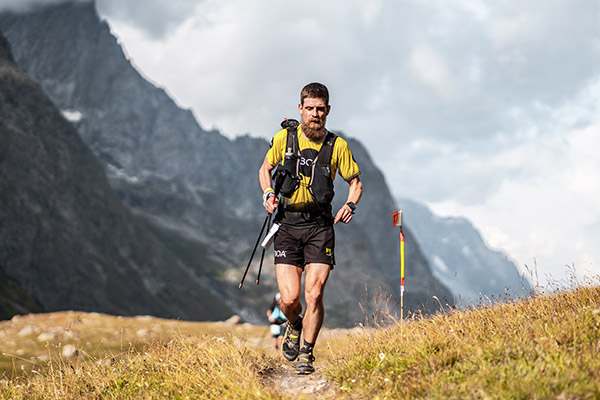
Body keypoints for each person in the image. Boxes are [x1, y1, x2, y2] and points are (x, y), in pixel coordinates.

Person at [258, 82, 363, 375]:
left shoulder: (337, 146)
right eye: (310, 108)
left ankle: (307, 352)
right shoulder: (284, 138)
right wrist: (268, 194)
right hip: (288, 225)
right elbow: (264, 169)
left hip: (320, 226)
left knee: (314, 294)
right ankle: (293, 323)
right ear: (300, 109)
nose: (315, 114)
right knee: (290, 299)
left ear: (327, 110)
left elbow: (355, 182)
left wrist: (350, 205)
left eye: (321, 109)